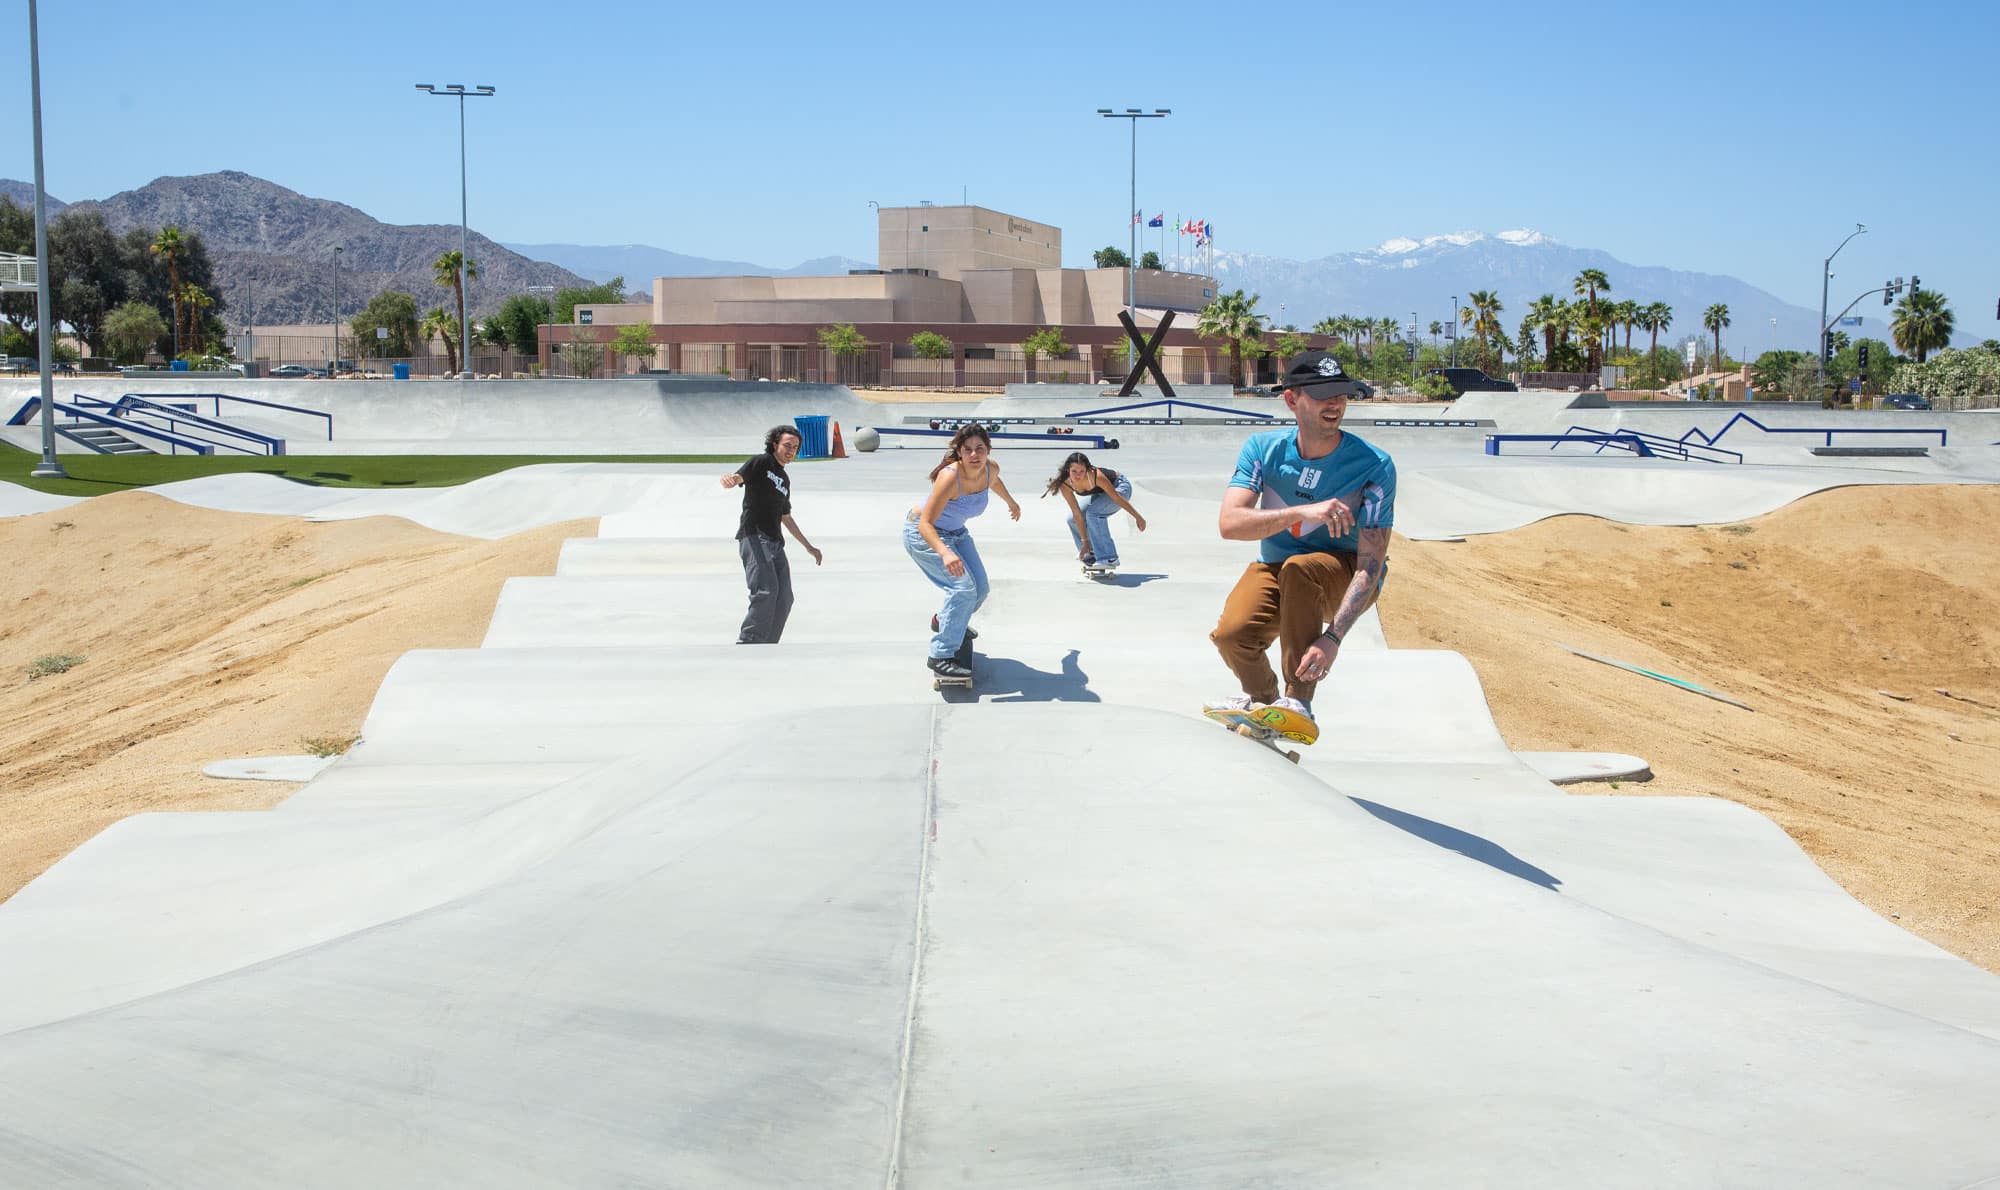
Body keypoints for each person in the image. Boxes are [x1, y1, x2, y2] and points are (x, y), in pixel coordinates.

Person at [1206, 350, 1395, 730]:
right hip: (1278, 569)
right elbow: (1230, 523)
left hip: (1344, 574)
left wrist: (1333, 638)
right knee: (1232, 635)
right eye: (1324, 394)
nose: (1336, 403)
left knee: (1301, 570)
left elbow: (1371, 565)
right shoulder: (1263, 451)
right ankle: (1266, 707)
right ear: (1292, 400)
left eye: (1341, 393)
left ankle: (1297, 701)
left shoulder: (1374, 465)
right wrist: (1300, 513)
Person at [904, 423, 1021, 678]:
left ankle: (944, 621)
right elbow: (925, 524)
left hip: (956, 533)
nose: (974, 455)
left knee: (981, 588)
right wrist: (945, 553)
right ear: (959, 452)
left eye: (980, 449)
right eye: (967, 450)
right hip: (924, 534)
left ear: (988, 450)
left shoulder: (990, 469)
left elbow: (995, 481)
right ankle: (941, 655)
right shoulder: (950, 477)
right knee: (963, 589)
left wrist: (1011, 501)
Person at [720, 425, 822, 644]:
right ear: (775, 444)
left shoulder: (784, 479)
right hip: (754, 536)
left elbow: (786, 517)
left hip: (775, 542)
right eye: (787, 445)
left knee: (785, 598)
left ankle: (768, 643)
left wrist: (808, 546)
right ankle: (749, 641)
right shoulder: (761, 462)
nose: (790, 451)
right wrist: (730, 479)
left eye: (795, 448)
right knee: (766, 590)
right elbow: (739, 477)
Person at [1041, 451, 1146, 569]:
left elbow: (1116, 497)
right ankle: (1089, 552)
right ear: (1067, 471)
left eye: (1081, 471)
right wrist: (1085, 542)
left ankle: (1109, 558)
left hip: (1120, 488)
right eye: (1074, 471)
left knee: (1093, 514)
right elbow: (1077, 513)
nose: (1077, 475)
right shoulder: (1065, 484)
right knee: (1072, 518)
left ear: (1087, 470)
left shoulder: (1096, 476)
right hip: (1101, 494)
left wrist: (1138, 517)